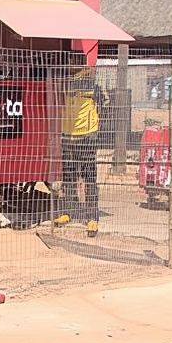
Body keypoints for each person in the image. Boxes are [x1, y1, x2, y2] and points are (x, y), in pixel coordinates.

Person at [60, 64, 107, 235]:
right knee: (69, 177)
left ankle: (92, 218)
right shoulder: (64, 84)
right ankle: (68, 212)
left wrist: (95, 128)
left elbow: (102, 108)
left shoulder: (93, 87)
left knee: (89, 179)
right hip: (67, 135)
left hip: (87, 136)